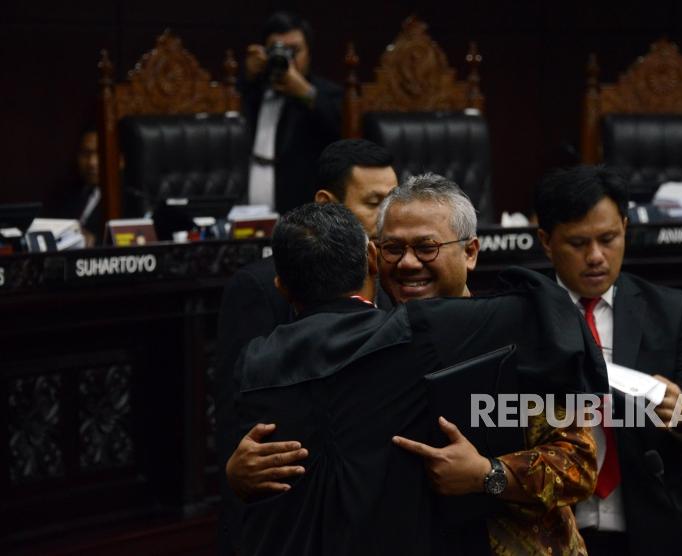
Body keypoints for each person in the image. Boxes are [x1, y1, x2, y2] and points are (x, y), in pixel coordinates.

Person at [229, 174, 603, 555]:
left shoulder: (519, 339)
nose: (407, 263)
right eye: (392, 247)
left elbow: (580, 464)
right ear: (373, 257)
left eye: (427, 247)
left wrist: (487, 475)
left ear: (470, 252)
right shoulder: (360, 344)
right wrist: (241, 472)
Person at [215, 139, 397, 555]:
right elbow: (236, 416)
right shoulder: (259, 287)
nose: (389, 216)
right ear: (326, 203)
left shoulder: (392, 268)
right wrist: (234, 474)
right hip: (286, 512)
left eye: (394, 200)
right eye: (374, 202)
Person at [534, 165, 682, 556]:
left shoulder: (669, 311)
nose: (596, 257)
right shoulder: (521, 315)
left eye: (609, 239)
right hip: (555, 532)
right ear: (546, 242)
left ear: (625, 227)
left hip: (657, 528)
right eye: (577, 243)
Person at [240, 11, 342, 214]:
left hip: (302, 216)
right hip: (246, 217)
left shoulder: (326, 94)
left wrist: (305, 93)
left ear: (309, 53)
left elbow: (342, 129)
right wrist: (248, 76)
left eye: (293, 51)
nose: (285, 58)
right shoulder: (251, 91)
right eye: (276, 50)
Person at [49, 129, 103, 245]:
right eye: (86, 154)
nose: (92, 163)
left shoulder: (128, 196)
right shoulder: (64, 193)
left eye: (99, 153)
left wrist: (95, 241)